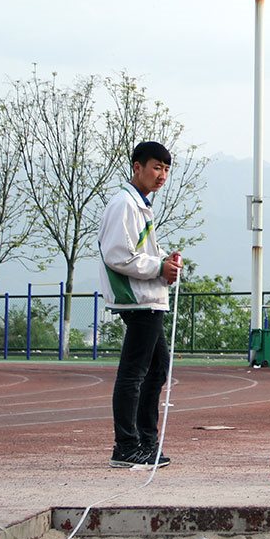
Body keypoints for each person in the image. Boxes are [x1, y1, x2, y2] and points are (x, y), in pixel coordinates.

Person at [99, 141, 182, 469]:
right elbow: (118, 255)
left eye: (166, 169)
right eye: (156, 167)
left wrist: (165, 262)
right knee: (134, 373)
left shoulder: (141, 204)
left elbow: (140, 251)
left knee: (157, 368)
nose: (162, 175)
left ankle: (146, 441)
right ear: (137, 167)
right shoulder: (124, 204)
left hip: (149, 299)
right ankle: (126, 446)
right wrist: (159, 268)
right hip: (138, 300)